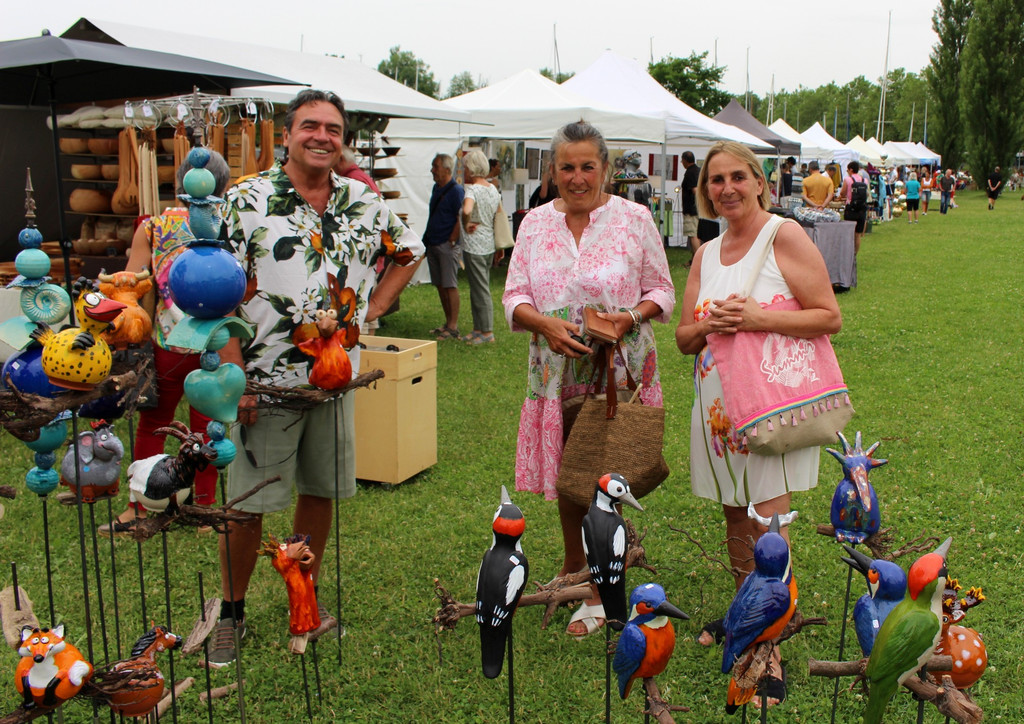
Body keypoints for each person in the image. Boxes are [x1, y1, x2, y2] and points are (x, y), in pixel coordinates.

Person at [207, 89, 424, 668]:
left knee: (319, 492)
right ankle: (231, 612)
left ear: (343, 138)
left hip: (334, 380)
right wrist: (233, 375)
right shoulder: (244, 200)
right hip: (264, 381)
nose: (322, 136)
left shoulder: (362, 201)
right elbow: (218, 295)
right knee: (248, 504)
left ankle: (302, 598)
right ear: (287, 134)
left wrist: (374, 307)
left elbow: (409, 251)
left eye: (332, 128)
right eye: (310, 126)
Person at [675, 140, 840, 707]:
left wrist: (752, 317)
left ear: (760, 182)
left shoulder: (783, 235)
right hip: (719, 412)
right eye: (715, 180)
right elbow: (682, 337)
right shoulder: (705, 253)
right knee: (734, 513)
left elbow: (828, 315)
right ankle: (746, 609)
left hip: (770, 406)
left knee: (770, 525)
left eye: (737, 177)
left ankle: (769, 653)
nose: (727, 188)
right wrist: (707, 326)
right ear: (705, 192)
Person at [502, 120, 674, 637]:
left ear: (604, 169)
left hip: (618, 367)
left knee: (606, 474)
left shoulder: (634, 217)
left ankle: (602, 589)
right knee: (570, 474)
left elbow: (661, 289)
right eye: (566, 167)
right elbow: (514, 296)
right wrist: (543, 324)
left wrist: (630, 317)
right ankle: (575, 565)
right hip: (554, 368)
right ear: (552, 171)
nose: (577, 177)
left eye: (587, 166)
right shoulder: (533, 222)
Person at [99, 153, 232, 534]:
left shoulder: (153, 226)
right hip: (215, 340)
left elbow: (130, 285)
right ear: (222, 186)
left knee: (155, 425)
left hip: (167, 343)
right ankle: (204, 510)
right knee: (207, 426)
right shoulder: (226, 223)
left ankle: (140, 506)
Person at [459, 149, 501, 345]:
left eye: (465, 167)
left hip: (474, 244)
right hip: (488, 243)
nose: (464, 170)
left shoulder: (472, 190)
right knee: (477, 288)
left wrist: (465, 221)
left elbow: (467, 209)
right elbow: (498, 215)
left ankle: (487, 332)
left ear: (471, 168)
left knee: (480, 289)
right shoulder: (492, 189)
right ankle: (478, 328)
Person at [424, 154, 464, 341]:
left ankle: (454, 326)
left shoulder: (456, 191)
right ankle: (447, 323)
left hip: (446, 244)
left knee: (449, 285)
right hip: (434, 242)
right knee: (440, 285)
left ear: (447, 169)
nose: (433, 170)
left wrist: (452, 238)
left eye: (436, 166)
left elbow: (460, 216)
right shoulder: (436, 188)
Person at [840, 161, 871, 253]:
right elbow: (867, 193)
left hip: (851, 208)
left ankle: (848, 253)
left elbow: (842, 193)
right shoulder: (864, 180)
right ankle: (855, 254)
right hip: (861, 209)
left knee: (849, 232)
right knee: (857, 234)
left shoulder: (848, 180)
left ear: (851, 169)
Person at [680, 150, 701, 258]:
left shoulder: (690, 172)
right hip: (696, 209)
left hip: (692, 210)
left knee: (693, 235)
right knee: (695, 234)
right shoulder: (698, 170)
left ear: (685, 160)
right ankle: (694, 259)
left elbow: (695, 190)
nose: (681, 162)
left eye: (682, 160)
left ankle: (698, 260)